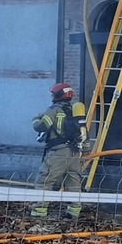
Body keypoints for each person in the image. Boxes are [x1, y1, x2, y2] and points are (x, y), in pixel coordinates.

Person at [31, 83, 87, 219]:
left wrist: (36, 119)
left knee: (44, 181)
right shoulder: (75, 111)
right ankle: (73, 212)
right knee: (73, 182)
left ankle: (39, 211)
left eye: (52, 93)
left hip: (58, 152)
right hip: (75, 152)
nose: (51, 96)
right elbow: (84, 132)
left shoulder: (54, 110)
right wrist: (85, 150)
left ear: (58, 95)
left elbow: (42, 126)